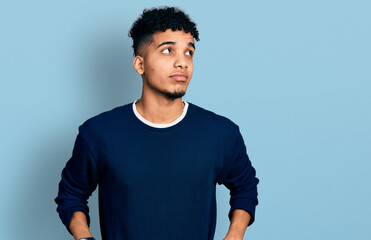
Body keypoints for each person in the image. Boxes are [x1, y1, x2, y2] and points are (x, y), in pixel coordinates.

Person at [55, 6, 259, 240]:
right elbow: (71, 194)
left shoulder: (221, 133)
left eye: (189, 52)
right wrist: (84, 237)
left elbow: (245, 186)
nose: (182, 62)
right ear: (140, 64)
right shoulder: (98, 133)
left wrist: (234, 235)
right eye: (168, 51)